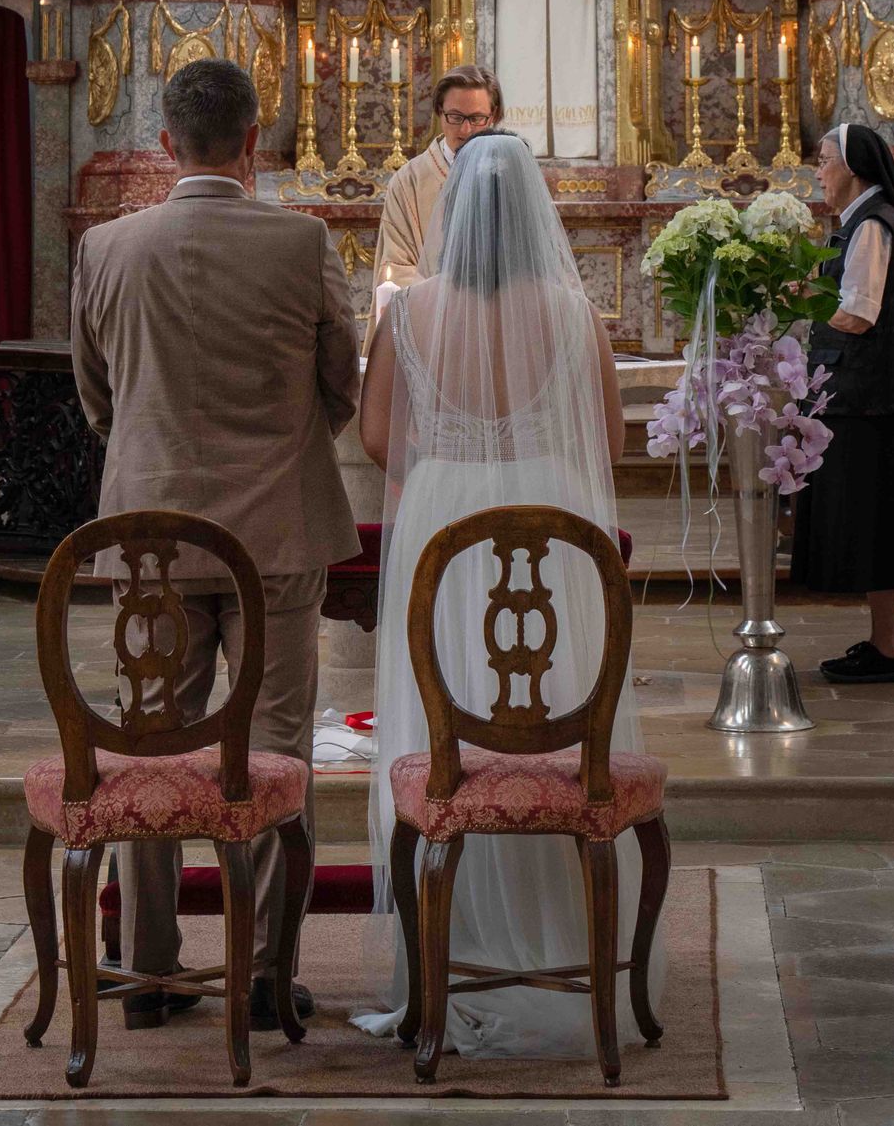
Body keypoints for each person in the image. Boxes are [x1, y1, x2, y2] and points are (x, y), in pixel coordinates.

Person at [69, 58, 360, 1029]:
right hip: (276, 533)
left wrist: (157, 451)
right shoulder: (300, 240)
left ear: (165, 142)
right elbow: (341, 380)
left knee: (150, 745)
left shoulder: (107, 247)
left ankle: (152, 971)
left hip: (149, 534)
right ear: (252, 142)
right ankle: (269, 971)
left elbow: (96, 395)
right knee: (276, 749)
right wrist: (284, 435)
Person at [355, 131, 655, 1056]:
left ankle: (440, 955)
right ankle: (564, 937)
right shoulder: (573, 311)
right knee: (550, 711)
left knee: (443, 724)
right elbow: (605, 440)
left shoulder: (408, 314)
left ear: (449, 214)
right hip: (551, 518)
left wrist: (452, 459)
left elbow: (375, 437)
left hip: (441, 520)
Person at [793, 122, 894, 683]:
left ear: (852, 165)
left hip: (864, 397)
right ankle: (886, 643)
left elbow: (857, 313)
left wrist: (799, 301)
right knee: (871, 521)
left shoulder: (873, 225)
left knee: (872, 523)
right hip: (860, 395)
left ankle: (892, 647)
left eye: (824, 160)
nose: (819, 171)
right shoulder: (862, 221)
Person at [372, 64, 503, 293]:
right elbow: (396, 268)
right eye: (455, 116)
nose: (466, 130)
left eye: (477, 118)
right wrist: (452, 301)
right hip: (433, 319)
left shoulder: (510, 175)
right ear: (439, 113)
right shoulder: (409, 182)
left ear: (493, 116)